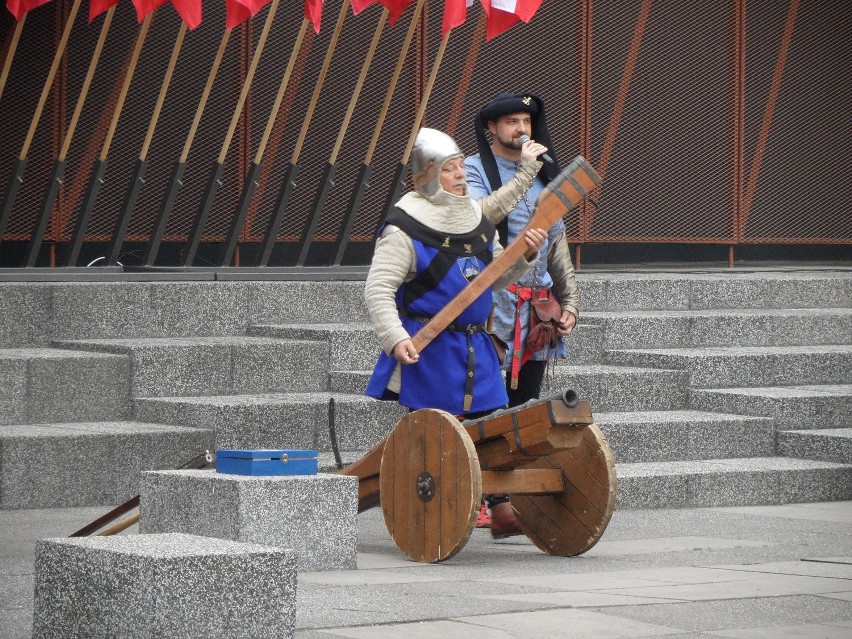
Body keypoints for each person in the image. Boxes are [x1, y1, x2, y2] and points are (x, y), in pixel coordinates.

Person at [364, 127, 548, 419]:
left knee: (491, 434)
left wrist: (526, 255)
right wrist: (396, 338)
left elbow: (497, 278)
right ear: (429, 175)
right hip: (430, 351)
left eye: (461, 165)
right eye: (449, 169)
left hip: (477, 350)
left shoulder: (476, 218)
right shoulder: (404, 227)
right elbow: (378, 289)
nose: (461, 174)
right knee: (435, 436)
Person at [465, 92, 580, 537]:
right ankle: (477, 493)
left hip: (536, 313)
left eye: (527, 120)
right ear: (491, 128)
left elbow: (557, 249)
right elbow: (480, 218)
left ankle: (507, 500)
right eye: (511, 121)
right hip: (490, 307)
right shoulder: (473, 171)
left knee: (525, 404)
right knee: (482, 403)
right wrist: (528, 171)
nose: (522, 129)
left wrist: (570, 303)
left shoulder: (545, 177)